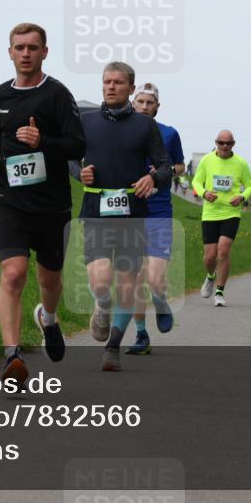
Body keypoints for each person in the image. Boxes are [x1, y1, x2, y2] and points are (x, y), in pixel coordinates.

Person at [0, 23, 86, 386]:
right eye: (19, 47)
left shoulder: (57, 95)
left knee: (49, 279)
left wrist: (43, 141)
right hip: (10, 199)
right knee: (12, 274)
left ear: (44, 52)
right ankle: (11, 357)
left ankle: (49, 317)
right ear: (9, 52)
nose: (25, 53)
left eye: (32, 48)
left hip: (52, 203)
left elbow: (77, 146)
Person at [80, 62, 171, 371]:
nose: (111, 86)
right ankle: (101, 306)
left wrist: (153, 179)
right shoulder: (86, 121)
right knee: (101, 282)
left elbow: (165, 167)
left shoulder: (145, 126)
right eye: (107, 81)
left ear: (131, 89)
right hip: (95, 211)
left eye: (118, 82)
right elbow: (69, 158)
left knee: (128, 286)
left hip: (133, 214)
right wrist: (79, 173)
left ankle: (113, 347)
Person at [125, 83, 185, 355]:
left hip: (159, 210)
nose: (145, 107)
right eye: (141, 102)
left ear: (157, 106)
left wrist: (164, 170)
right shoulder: (123, 132)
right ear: (133, 103)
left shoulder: (170, 134)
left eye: (150, 102)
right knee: (136, 276)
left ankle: (160, 299)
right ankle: (140, 335)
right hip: (130, 210)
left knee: (155, 277)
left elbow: (181, 166)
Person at [192, 130, 251, 306]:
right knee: (209, 257)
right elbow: (196, 182)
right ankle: (211, 276)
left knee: (223, 250)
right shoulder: (207, 160)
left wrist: (242, 197)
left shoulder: (241, 163)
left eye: (228, 143)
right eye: (221, 143)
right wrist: (204, 193)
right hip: (210, 213)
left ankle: (219, 292)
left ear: (233, 144)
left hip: (231, 212)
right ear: (216, 143)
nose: (225, 146)